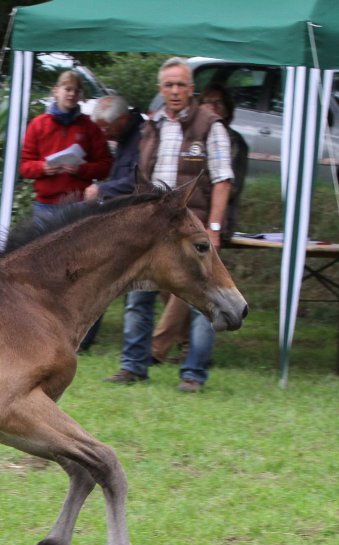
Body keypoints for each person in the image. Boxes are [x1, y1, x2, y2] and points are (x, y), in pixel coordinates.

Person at [105, 58, 233, 393]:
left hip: (190, 228)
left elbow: (222, 180)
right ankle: (133, 367)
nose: (175, 91)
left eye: (181, 85)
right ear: (161, 90)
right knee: (138, 295)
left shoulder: (210, 125)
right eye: (168, 86)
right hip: (151, 227)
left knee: (202, 296)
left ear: (192, 89)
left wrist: (214, 228)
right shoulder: (153, 125)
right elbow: (141, 179)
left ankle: (193, 374)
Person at [150, 84, 249, 364]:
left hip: (210, 223)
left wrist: (213, 225)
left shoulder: (233, 140)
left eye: (219, 102)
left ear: (228, 108)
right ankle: (184, 346)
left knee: (191, 287)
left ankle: (159, 348)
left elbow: (230, 185)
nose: (212, 106)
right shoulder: (182, 131)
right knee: (167, 287)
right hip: (179, 225)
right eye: (208, 101)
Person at [76, 94, 145, 351]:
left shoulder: (141, 138)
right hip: (118, 222)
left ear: (123, 120)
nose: (103, 134)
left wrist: (102, 190)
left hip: (133, 227)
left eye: (106, 127)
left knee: (106, 280)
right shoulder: (125, 138)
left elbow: (139, 180)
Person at [19, 70, 113, 227]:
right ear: (56, 91)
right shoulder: (38, 124)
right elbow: (24, 167)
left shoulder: (89, 126)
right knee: (43, 251)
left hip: (79, 204)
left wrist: (81, 169)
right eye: (68, 89)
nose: (72, 94)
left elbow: (106, 166)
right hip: (46, 206)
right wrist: (42, 168)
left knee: (79, 251)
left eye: (77, 90)